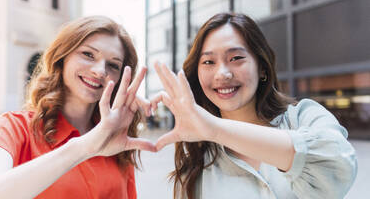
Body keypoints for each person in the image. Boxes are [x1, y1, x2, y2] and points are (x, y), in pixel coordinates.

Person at [152, 13, 357, 199]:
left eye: (236, 58)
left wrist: (214, 129)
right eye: (208, 62)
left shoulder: (304, 117)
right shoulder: (197, 167)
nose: (222, 73)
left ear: (262, 67)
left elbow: (339, 164)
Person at [0, 16, 155, 198]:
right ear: (62, 57)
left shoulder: (116, 139)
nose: (100, 71)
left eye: (113, 65)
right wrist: (84, 147)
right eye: (88, 54)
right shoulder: (14, 128)